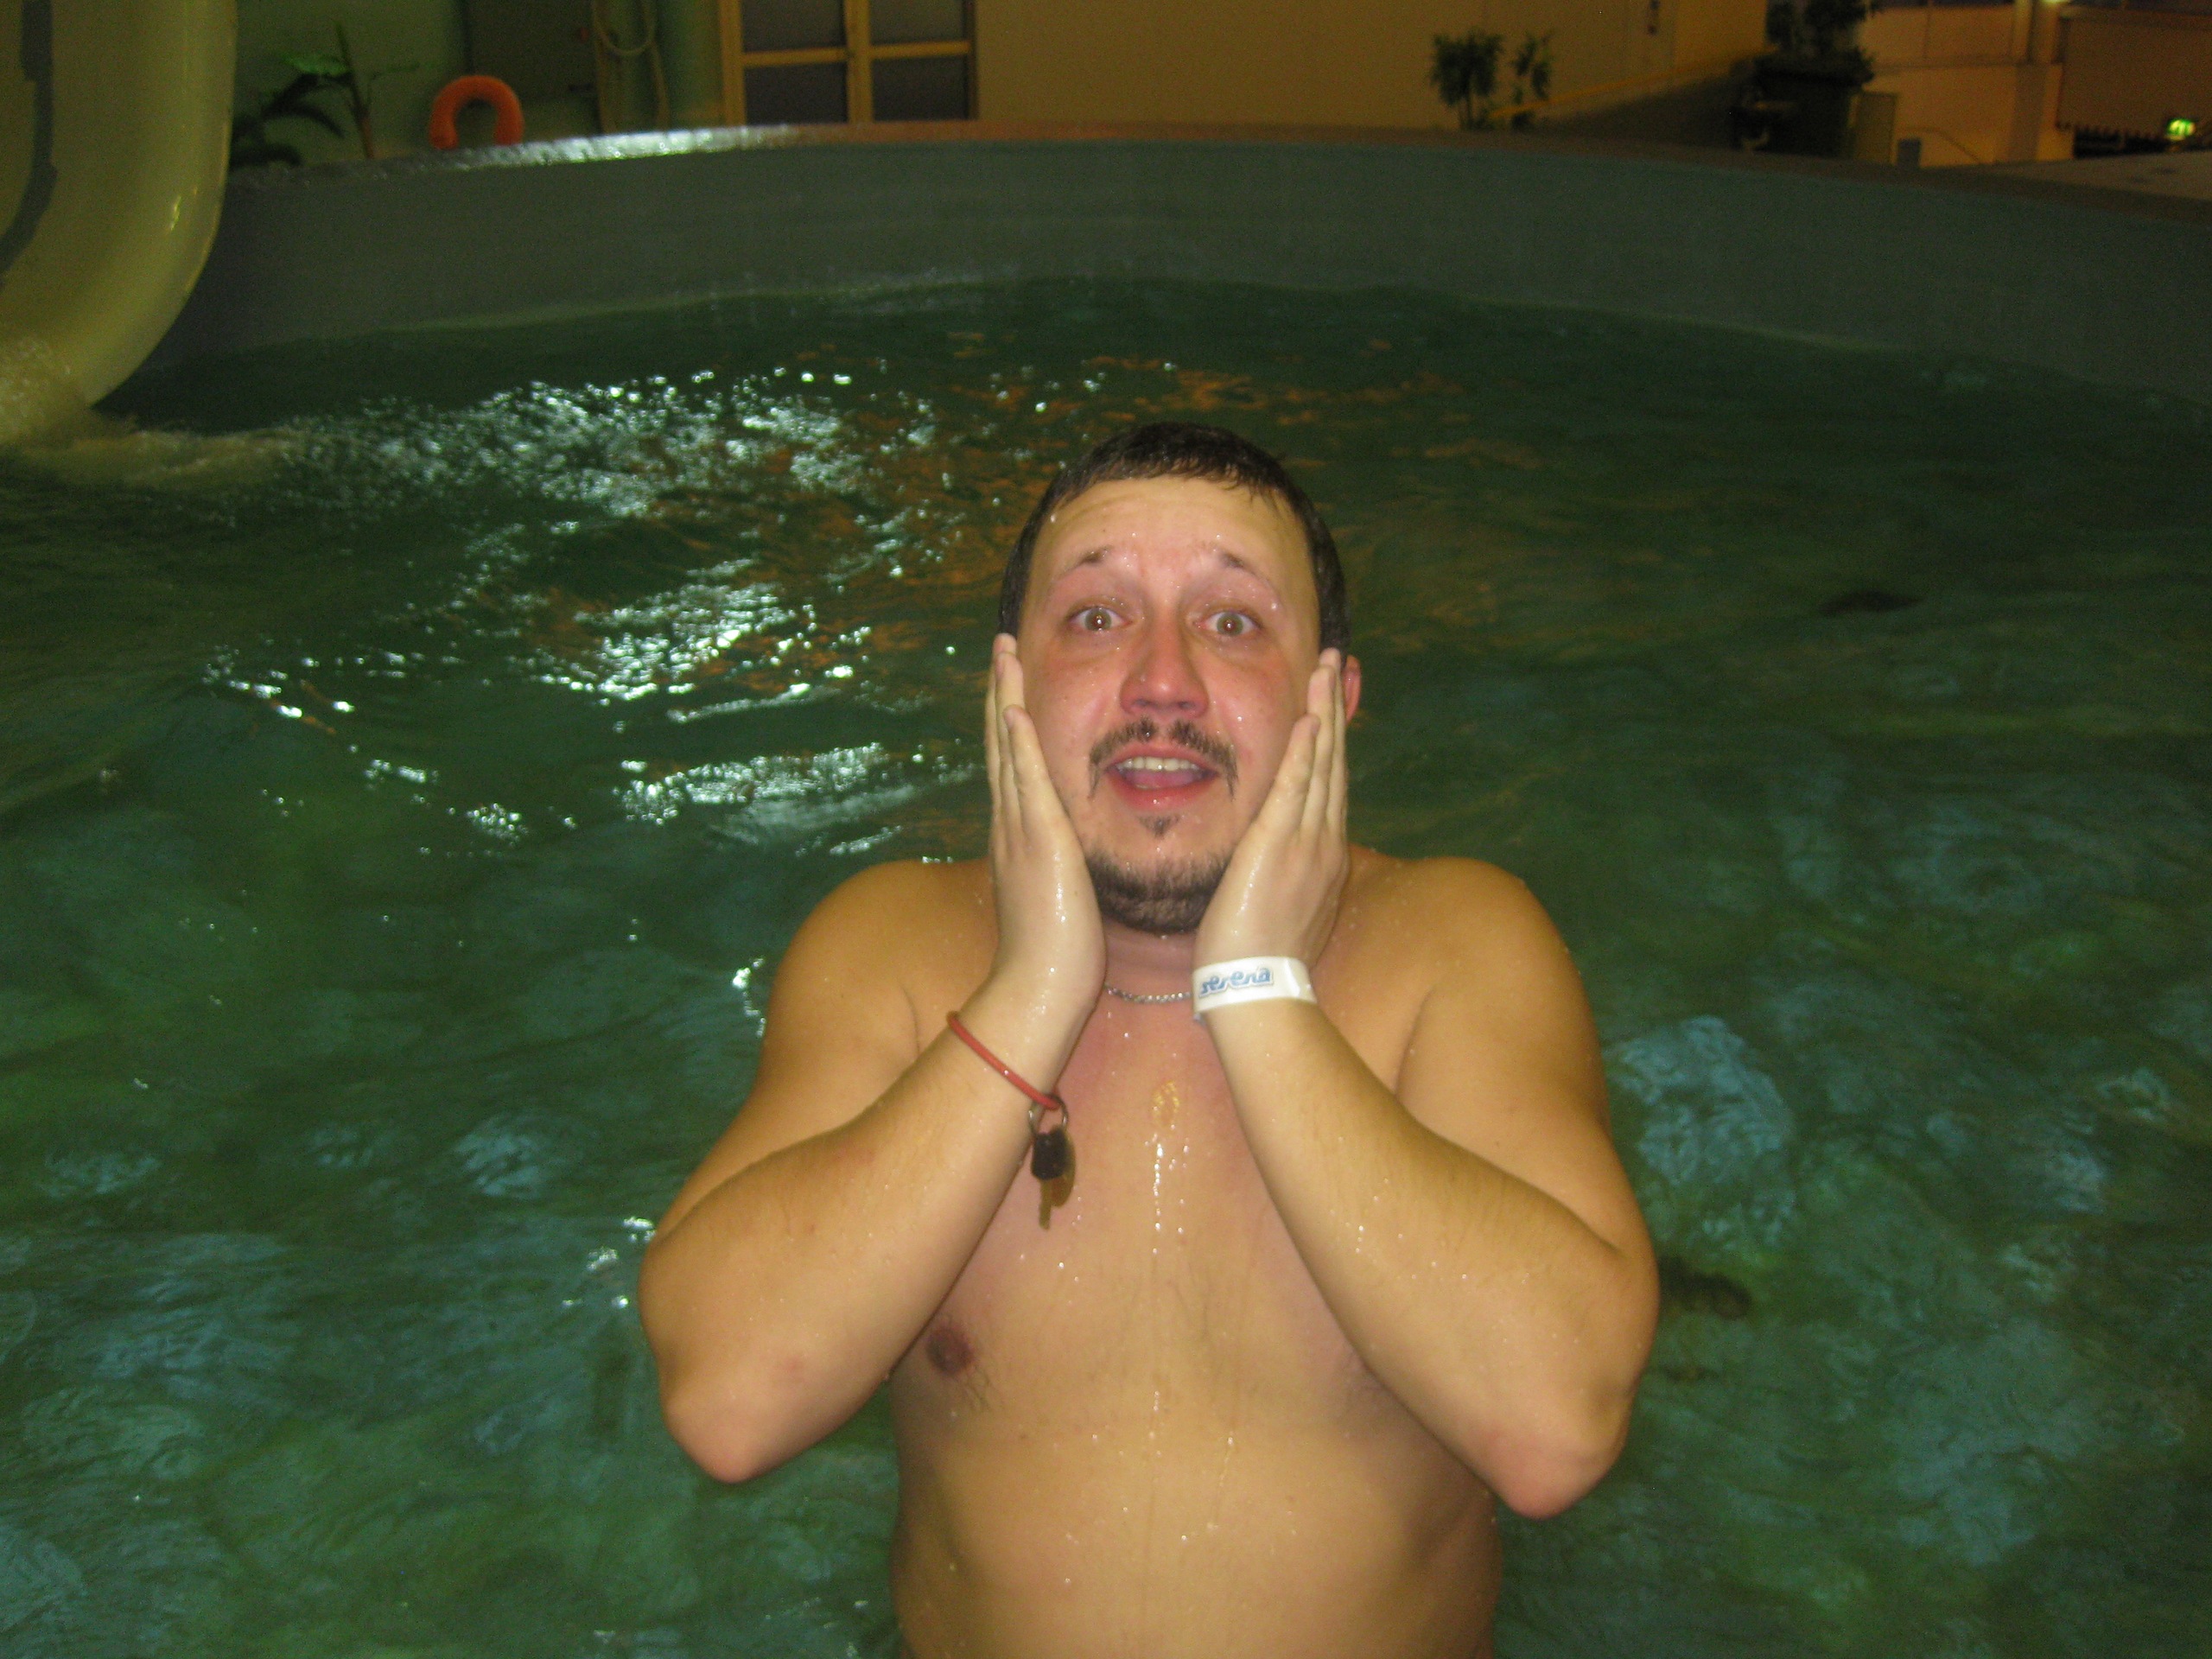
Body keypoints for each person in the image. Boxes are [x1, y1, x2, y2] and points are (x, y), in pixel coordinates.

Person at [639, 422, 1659, 1659]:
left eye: (1232, 622)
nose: (1161, 683)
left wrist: (1258, 988)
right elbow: (729, 1404)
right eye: (1097, 618)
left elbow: (1555, 1431)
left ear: (1330, 701)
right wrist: (1032, 991)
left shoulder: (1454, 946)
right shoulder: (893, 952)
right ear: (1011, 690)